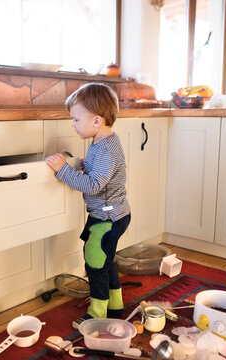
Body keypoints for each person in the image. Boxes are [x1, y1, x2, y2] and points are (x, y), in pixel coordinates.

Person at [45, 83, 131, 329]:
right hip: (112, 214)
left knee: (95, 264)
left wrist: (62, 169)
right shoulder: (102, 142)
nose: (72, 124)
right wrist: (83, 164)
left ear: (96, 121)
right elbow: (100, 172)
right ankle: (114, 305)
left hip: (106, 218)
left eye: (75, 119)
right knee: (106, 262)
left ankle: (97, 314)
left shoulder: (106, 149)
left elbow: (93, 186)